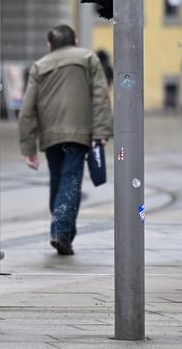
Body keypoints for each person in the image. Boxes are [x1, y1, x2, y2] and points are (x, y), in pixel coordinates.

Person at [19, 24, 113, 256]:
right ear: (76, 40)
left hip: (51, 136)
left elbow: (27, 109)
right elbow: (100, 97)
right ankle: (61, 230)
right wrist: (101, 133)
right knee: (71, 181)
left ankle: (63, 234)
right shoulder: (88, 58)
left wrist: (28, 147)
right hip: (78, 134)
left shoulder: (39, 66)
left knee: (58, 180)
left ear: (49, 45)